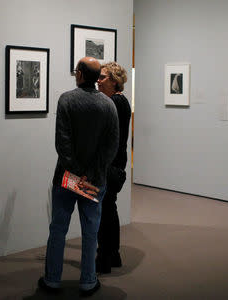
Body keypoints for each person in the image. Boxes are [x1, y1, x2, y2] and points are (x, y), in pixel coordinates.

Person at [38, 57, 119, 296]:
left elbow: (62, 143)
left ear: (81, 75)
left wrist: (75, 174)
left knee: (58, 229)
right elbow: (111, 147)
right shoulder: (108, 105)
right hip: (94, 180)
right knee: (90, 232)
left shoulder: (67, 100)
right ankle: (88, 281)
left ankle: (52, 280)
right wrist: (91, 174)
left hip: (67, 178)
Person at [96, 62, 131, 274]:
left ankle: (105, 258)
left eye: (103, 77)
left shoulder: (115, 102)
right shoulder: (118, 101)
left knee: (104, 210)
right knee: (109, 208)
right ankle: (113, 254)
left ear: (115, 81)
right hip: (115, 163)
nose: (98, 81)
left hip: (111, 165)